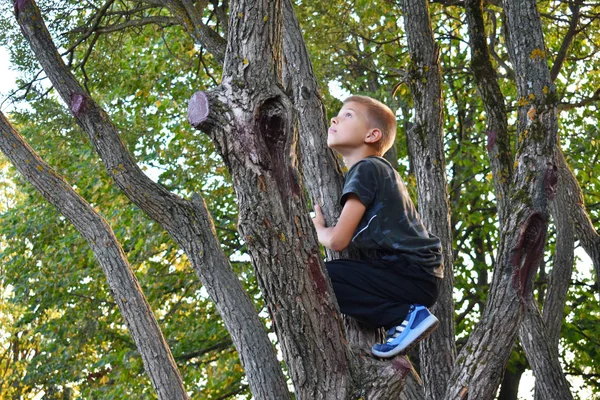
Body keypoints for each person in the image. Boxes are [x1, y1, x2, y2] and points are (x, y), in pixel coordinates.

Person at [311, 95, 443, 358]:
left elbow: (338, 241)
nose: (335, 119)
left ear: (372, 135)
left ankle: (403, 316)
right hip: (414, 276)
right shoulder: (375, 171)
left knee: (320, 277)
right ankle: (401, 318)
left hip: (410, 273)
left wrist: (319, 230)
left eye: (348, 115)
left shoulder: (367, 169)